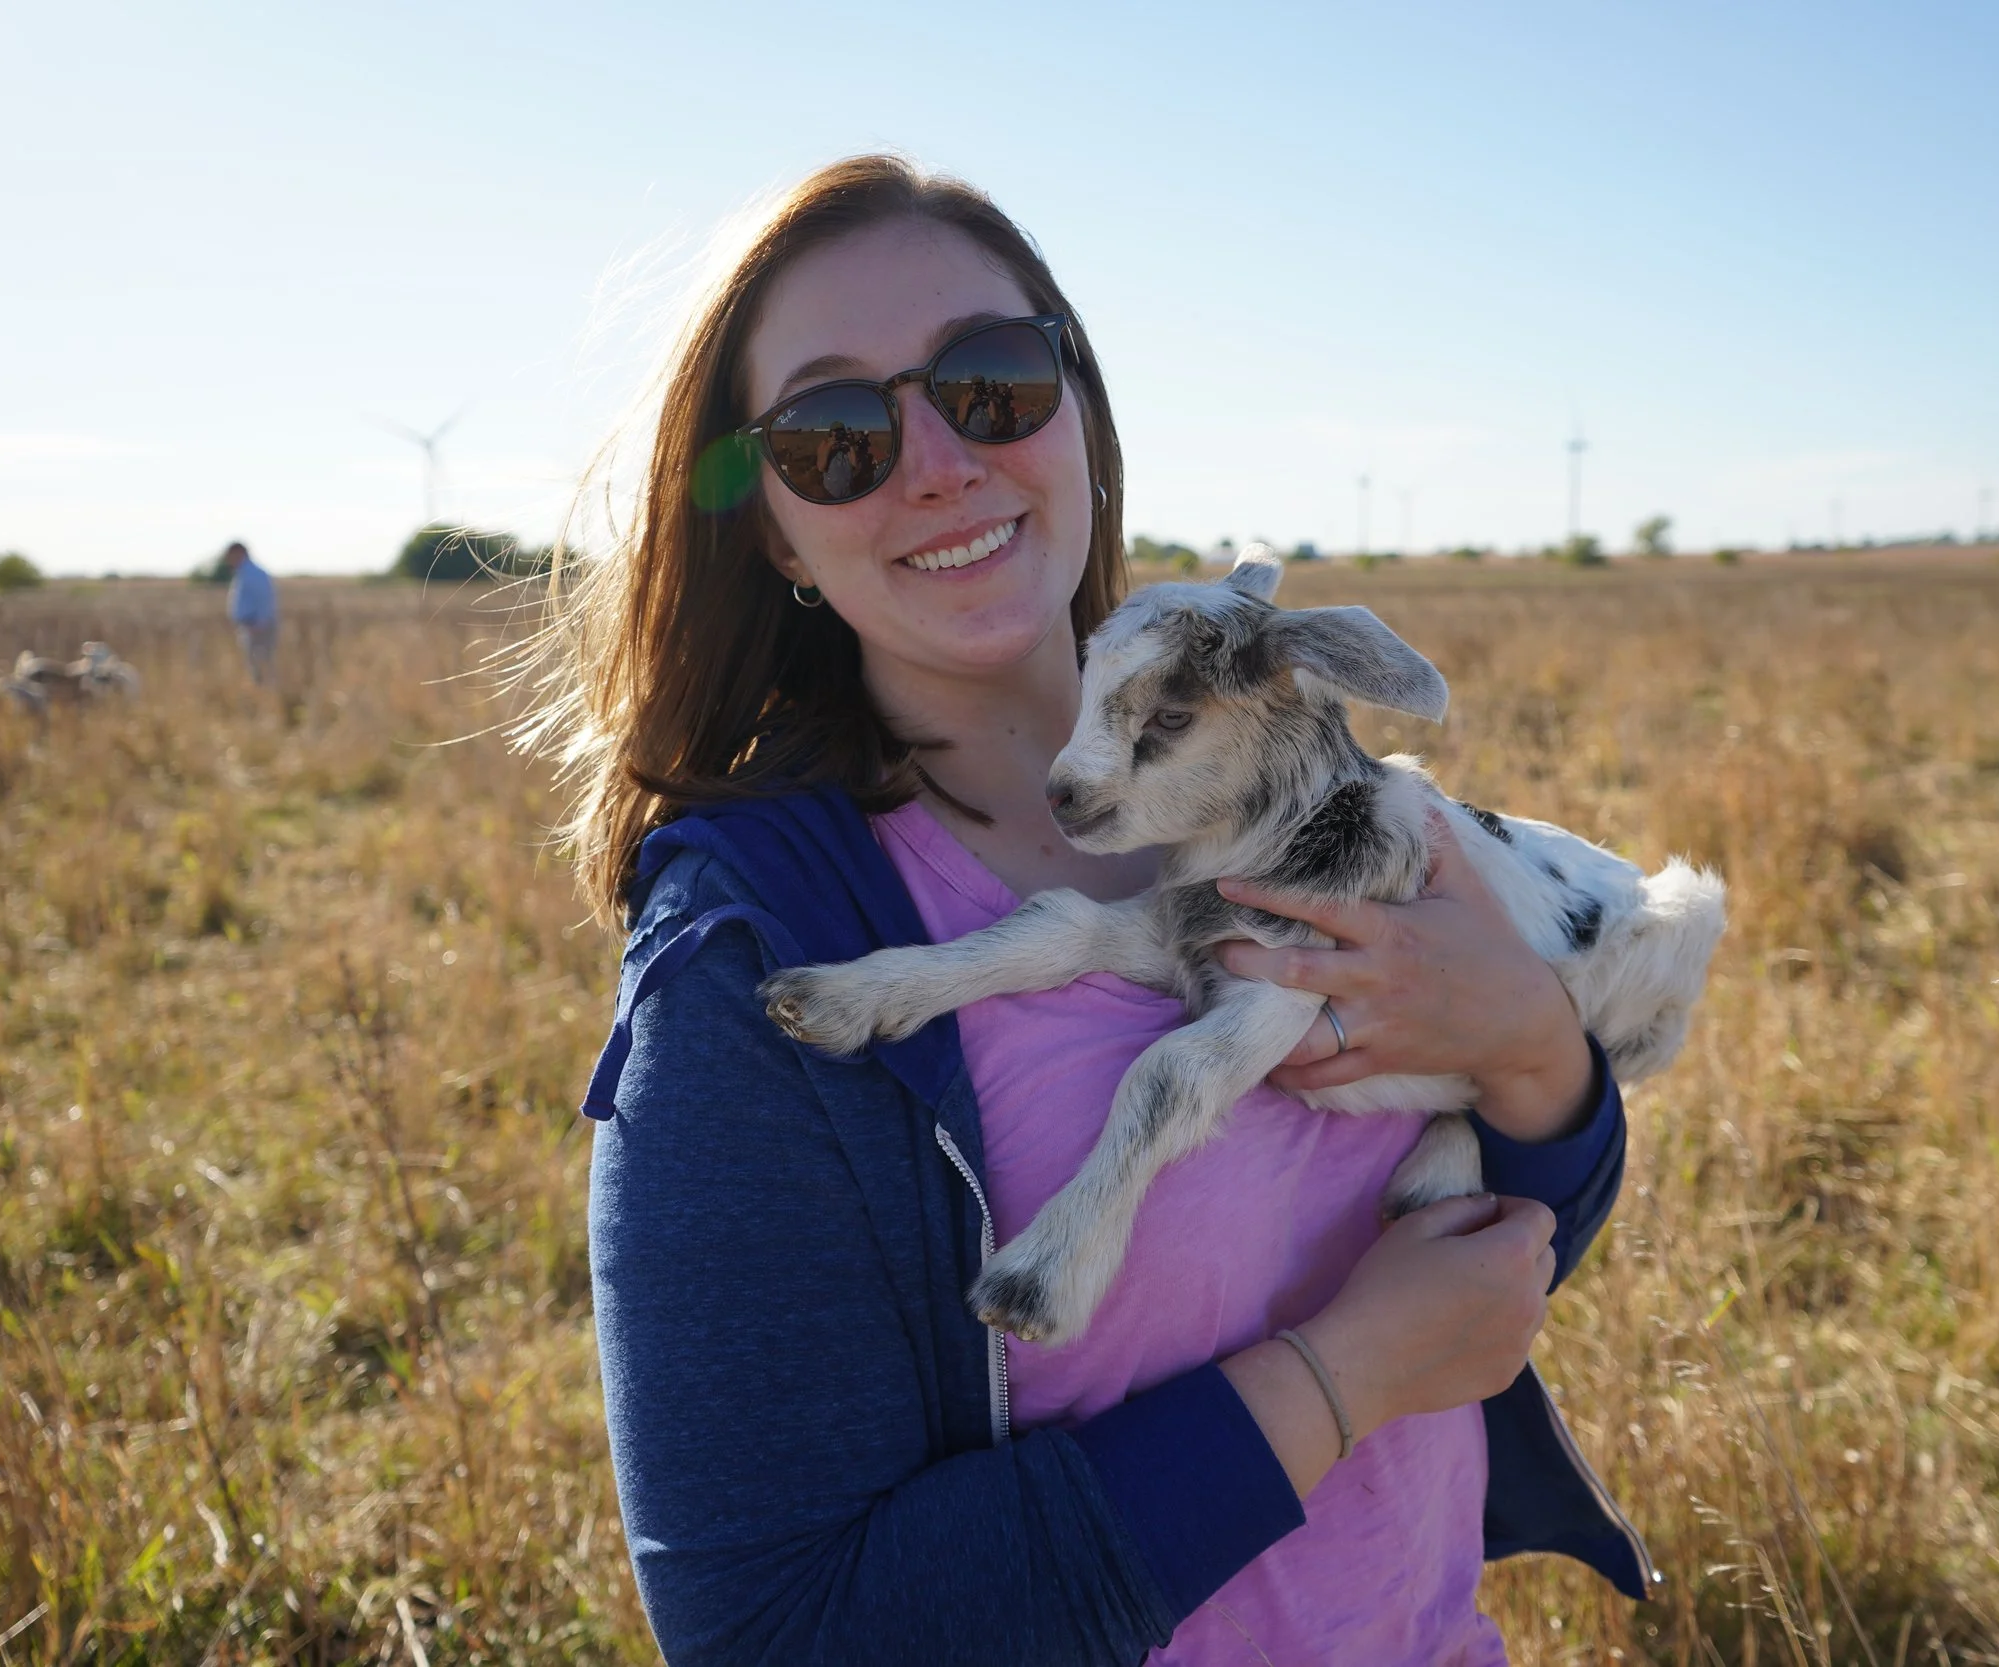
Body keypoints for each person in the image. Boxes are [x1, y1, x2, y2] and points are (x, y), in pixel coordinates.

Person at [523, 156, 1645, 1667]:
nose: (938, 463)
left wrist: (1538, 1060)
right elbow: (772, 1630)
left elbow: (1495, 1264)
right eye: (836, 436)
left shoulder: (1286, 782)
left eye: (989, 382)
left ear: (1080, 417)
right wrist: (1342, 1376)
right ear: (777, 530)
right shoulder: (758, 953)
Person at [222, 541, 276, 684]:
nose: (228, 560)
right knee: (253, 663)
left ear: (239, 554)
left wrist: (260, 623)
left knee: (261, 663)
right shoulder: (243, 573)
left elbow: (264, 598)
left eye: (230, 556)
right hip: (250, 625)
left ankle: (265, 690)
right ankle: (261, 688)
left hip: (256, 626)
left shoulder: (253, 573)